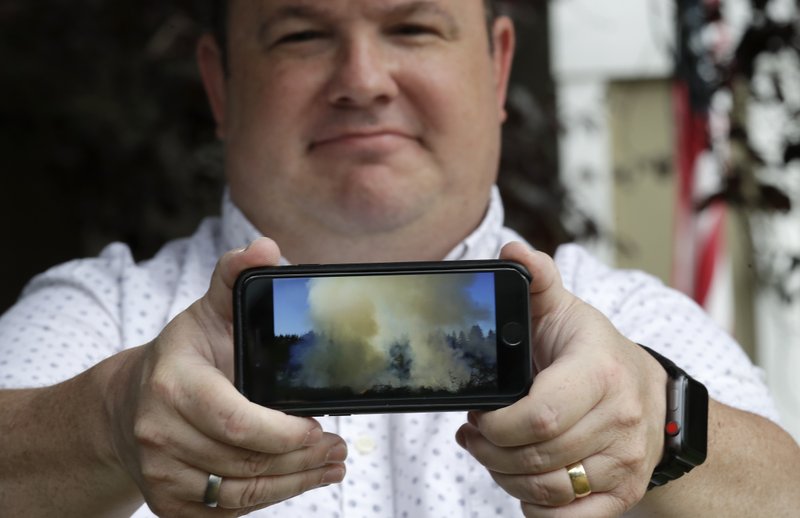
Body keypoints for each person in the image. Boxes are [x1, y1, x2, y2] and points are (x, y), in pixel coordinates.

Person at [1, 0, 798, 516]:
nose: (363, 80)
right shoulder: (99, 314)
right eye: (302, 34)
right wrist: (105, 420)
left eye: (412, 28)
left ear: (496, 68)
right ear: (221, 87)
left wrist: (661, 423)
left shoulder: (631, 321)